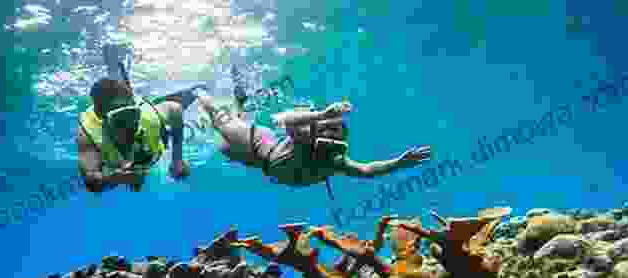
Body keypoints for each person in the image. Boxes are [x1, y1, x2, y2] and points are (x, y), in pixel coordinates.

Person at [193, 70, 433, 199]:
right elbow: (283, 119)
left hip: (261, 164)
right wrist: (321, 114)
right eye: (328, 127)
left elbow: (368, 170)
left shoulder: (336, 161)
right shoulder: (306, 139)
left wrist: (399, 163)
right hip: (261, 143)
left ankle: (240, 102)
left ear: (343, 138)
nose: (331, 133)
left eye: (337, 130)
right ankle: (199, 92)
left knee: (223, 147)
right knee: (221, 124)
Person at [78, 49, 205, 193]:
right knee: (117, 89)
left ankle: (115, 62)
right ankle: (114, 64)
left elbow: (175, 109)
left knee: (122, 88)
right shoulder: (89, 136)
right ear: (103, 121)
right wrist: (115, 178)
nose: (131, 124)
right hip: (117, 114)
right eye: (122, 118)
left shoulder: (148, 117)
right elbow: (91, 181)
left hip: (137, 108)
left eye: (134, 114)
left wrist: (177, 159)